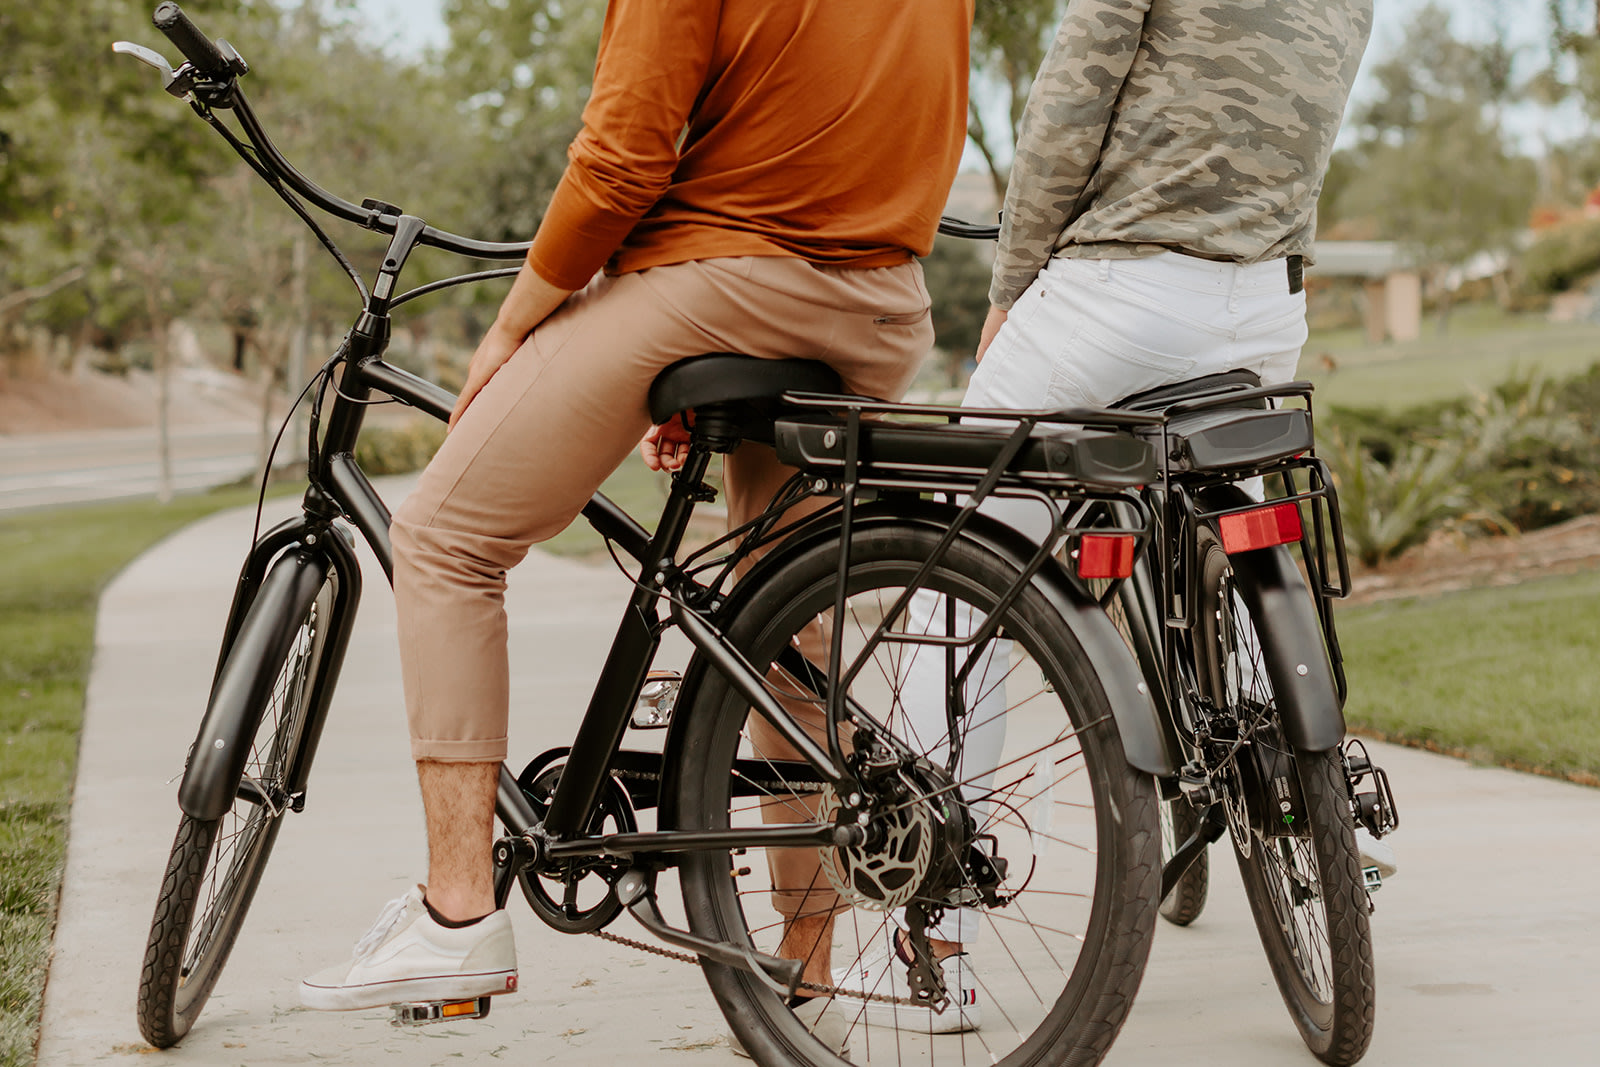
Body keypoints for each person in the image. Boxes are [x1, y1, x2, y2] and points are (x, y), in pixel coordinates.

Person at [298, 0, 972, 1023]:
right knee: (782, 622)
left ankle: (456, 913)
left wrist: (515, 322)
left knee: (443, 535)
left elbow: (621, 155)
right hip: (877, 297)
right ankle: (805, 974)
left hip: (736, 280)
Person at [834, 0, 1377, 1033]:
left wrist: (1007, 296)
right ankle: (1296, 780)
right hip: (1263, 304)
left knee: (959, 546)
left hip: (1120, 294)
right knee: (1240, 497)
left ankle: (927, 938)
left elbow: (1067, 110)